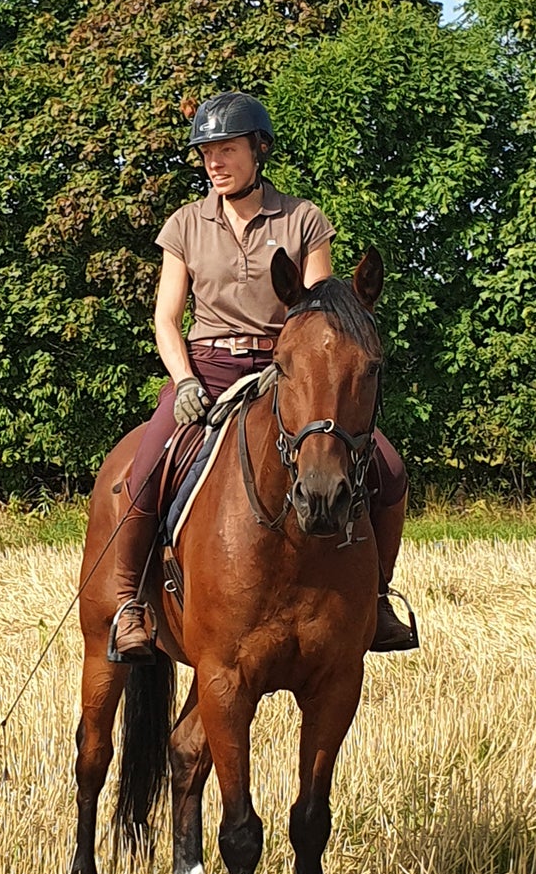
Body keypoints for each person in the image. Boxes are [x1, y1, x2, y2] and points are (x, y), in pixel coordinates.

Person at [111, 91, 415, 660]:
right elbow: (165, 318)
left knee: (389, 469)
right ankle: (130, 604)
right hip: (208, 367)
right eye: (207, 152)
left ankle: (376, 599)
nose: (215, 162)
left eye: (227, 149)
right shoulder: (184, 225)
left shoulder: (303, 219)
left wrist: (309, 374)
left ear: (259, 150)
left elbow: (328, 314)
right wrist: (183, 383)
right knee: (146, 467)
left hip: (289, 372)